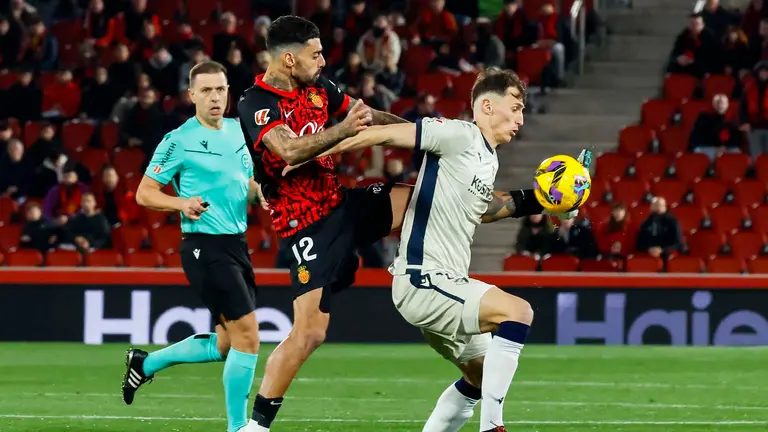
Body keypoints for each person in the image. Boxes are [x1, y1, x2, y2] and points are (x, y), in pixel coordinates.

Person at [291, 67, 586, 432]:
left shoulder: (485, 158)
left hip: (444, 283)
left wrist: (545, 200)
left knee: (480, 379)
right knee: (519, 312)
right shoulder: (457, 133)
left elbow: (487, 209)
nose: (521, 118)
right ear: (488, 106)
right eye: (516, 107)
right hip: (424, 279)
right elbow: (382, 134)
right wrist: (304, 153)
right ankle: (493, 427)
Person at [236, 16, 411, 432]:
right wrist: (343, 130)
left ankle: (526, 203)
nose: (322, 60)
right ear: (289, 58)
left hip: (340, 202)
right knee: (311, 333)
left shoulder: (319, 88)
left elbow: (366, 117)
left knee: (420, 198)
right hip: (305, 225)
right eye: (315, 54)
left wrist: (424, 134)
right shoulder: (255, 102)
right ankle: (256, 427)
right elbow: (290, 151)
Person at [122, 61, 263, 432]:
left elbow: (242, 181)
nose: (215, 97)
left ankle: (145, 364)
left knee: (226, 345)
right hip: (204, 247)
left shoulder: (237, 131)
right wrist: (180, 203)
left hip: (236, 244)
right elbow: (144, 193)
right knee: (248, 335)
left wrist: (259, 193)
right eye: (206, 91)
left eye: (220, 89)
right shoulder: (179, 140)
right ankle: (238, 427)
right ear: (192, 96)